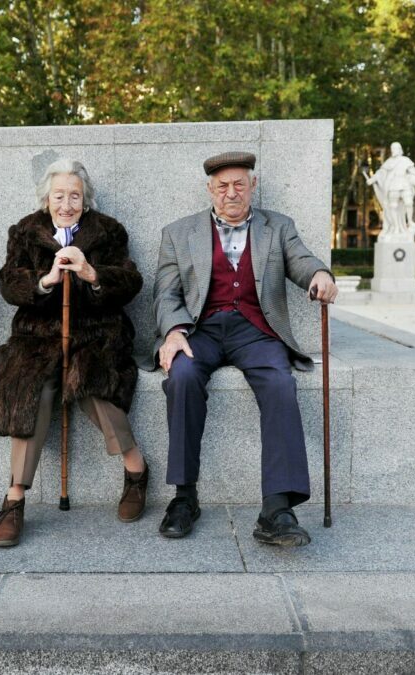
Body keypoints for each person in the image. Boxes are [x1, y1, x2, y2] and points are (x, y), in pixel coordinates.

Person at [152, 151, 338, 547]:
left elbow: (301, 261)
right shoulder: (179, 232)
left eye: (239, 184)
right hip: (199, 329)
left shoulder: (278, 227)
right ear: (210, 190)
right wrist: (173, 333)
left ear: (253, 186)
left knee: (279, 383)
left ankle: (277, 508)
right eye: (222, 186)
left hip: (256, 330)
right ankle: (184, 497)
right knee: (181, 377)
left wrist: (320, 273)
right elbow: (165, 294)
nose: (231, 193)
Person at [0, 158, 146, 547]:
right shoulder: (26, 231)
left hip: (96, 332)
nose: (66, 204)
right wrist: (45, 280)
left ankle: (135, 467)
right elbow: (7, 282)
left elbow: (131, 281)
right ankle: (15, 497)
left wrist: (92, 274)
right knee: (30, 387)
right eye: (59, 196)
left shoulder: (108, 232)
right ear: (46, 199)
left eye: (75, 196)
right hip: (37, 336)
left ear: (86, 200)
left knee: (92, 380)